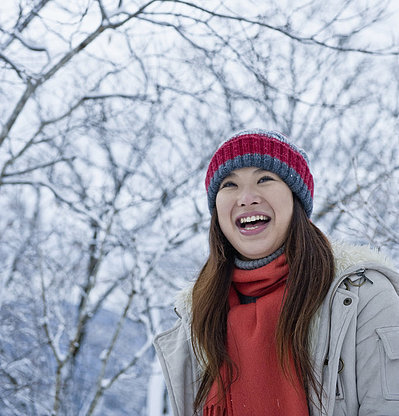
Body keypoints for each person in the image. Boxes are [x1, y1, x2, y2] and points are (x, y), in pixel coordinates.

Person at [154, 129, 399, 415]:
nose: (246, 198)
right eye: (229, 185)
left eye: (264, 179)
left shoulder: (361, 297)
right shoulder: (198, 319)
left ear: (295, 199)